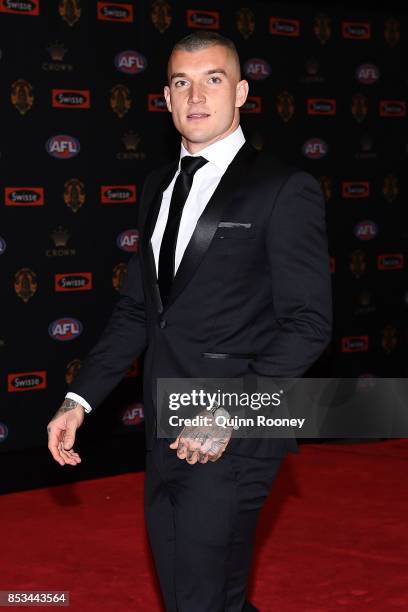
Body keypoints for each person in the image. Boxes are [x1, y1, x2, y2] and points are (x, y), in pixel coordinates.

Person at [47, 31, 332, 612]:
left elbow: (308, 323)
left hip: (234, 435)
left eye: (213, 79)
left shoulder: (282, 189)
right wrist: (80, 400)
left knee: (204, 599)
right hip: (164, 427)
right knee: (189, 597)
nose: (196, 95)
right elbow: (140, 311)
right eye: (182, 82)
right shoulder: (158, 186)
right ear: (166, 99)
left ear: (242, 93)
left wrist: (230, 412)